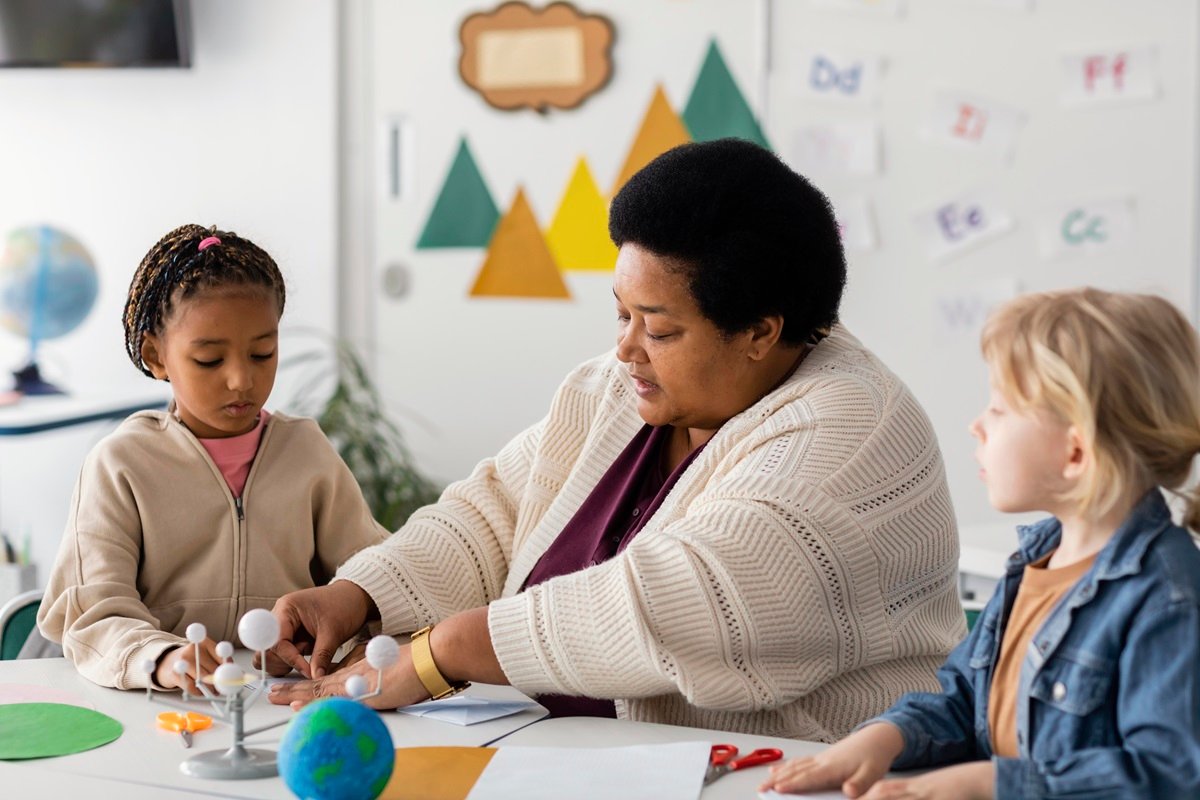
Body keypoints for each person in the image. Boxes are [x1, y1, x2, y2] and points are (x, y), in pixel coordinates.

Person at [267, 139, 965, 741]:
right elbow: (495, 513)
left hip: (797, 773)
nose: (625, 347)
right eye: (621, 313)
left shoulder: (852, 433)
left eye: (658, 328)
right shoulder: (622, 386)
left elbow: (686, 600)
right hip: (572, 756)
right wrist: (362, 593)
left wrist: (440, 652)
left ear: (761, 331)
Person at [760, 288, 1200, 799]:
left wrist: (989, 782)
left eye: (999, 409)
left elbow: (1170, 777)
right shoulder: (1036, 559)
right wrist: (887, 737)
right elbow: (967, 700)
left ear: (1076, 453)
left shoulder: (1169, 598)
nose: (977, 425)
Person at [37, 224, 388, 691]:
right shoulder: (120, 465)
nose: (241, 379)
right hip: (165, 705)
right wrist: (159, 658)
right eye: (209, 360)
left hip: (289, 699)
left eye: (262, 353)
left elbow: (376, 576)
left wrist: (356, 635)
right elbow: (92, 611)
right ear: (155, 356)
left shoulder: (307, 454)